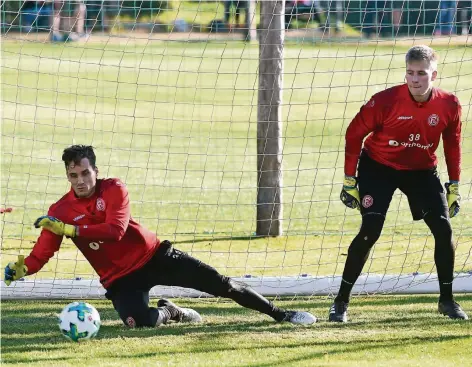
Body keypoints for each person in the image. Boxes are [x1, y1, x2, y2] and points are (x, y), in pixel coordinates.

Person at [4, 145, 316, 328]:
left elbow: (116, 230)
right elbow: (41, 254)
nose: (80, 180)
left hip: (155, 256)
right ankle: (171, 310)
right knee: (138, 323)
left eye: (85, 173)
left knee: (224, 285)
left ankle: (282, 314)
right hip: (119, 278)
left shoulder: (114, 188)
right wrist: (22, 268)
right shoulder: (59, 210)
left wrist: (72, 230)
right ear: (67, 176)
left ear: (95, 170)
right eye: (73, 175)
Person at [330, 45, 468, 322]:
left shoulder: (449, 104)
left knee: (444, 230)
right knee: (371, 229)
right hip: (378, 167)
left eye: (421, 73)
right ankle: (340, 303)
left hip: (421, 171)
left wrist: (454, 183)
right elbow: (354, 134)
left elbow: (452, 144)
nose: (414, 79)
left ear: (434, 74)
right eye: (410, 73)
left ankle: (447, 301)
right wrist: (349, 179)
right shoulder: (385, 101)